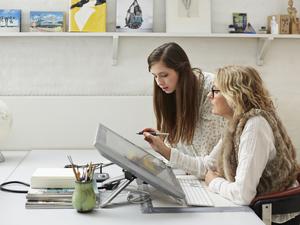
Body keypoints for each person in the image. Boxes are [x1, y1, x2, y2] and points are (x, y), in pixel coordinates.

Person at [144, 65, 299, 222]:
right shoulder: (236, 123)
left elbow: (242, 195)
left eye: (216, 91)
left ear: (235, 95)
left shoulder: (255, 126)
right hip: (254, 209)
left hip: (271, 217)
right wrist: (164, 150)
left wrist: (214, 182)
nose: (210, 96)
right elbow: (207, 166)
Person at [143, 42, 225, 176]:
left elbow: (208, 163)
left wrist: (165, 150)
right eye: (155, 76)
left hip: (216, 175)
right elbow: (186, 148)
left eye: (164, 75)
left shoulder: (211, 91)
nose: (159, 82)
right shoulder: (171, 91)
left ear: (181, 70)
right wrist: (165, 139)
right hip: (197, 174)